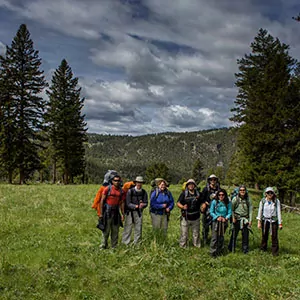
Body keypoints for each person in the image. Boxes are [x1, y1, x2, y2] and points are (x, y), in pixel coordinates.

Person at [99, 174, 125, 249]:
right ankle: (103, 245)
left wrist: (123, 214)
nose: (117, 182)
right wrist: (101, 213)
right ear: (112, 181)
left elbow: (122, 203)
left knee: (115, 230)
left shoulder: (121, 191)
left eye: (118, 181)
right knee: (106, 230)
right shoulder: (107, 189)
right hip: (107, 212)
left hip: (116, 212)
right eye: (115, 180)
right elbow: (102, 201)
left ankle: (114, 246)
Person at [122, 176, 148, 245]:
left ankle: (137, 243)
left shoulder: (144, 192)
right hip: (129, 212)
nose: (139, 184)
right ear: (135, 183)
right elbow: (128, 203)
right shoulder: (130, 191)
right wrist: (135, 206)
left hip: (139, 212)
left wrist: (143, 205)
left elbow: (146, 202)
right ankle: (125, 242)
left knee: (138, 227)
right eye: (138, 182)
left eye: (140, 183)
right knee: (128, 227)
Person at [257, 187, 283, 256]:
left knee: (274, 236)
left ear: (273, 193)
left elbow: (278, 212)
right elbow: (260, 211)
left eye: (271, 193)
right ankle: (263, 249)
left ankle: (275, 252)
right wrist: (259, 222)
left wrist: (280, 223)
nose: (270, 194)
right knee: (264, 235)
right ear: (265, 194)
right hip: (265, 220)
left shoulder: (276, 201)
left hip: (273, 221)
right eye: (268, 193)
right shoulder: (262, 201)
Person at [177, 179, 201, 248]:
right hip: (186, 217)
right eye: (189, 184)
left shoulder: (198, 194)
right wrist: (182, 207)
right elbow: (178, 203)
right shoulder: (183, 194)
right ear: (187, 186)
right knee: (184, 233)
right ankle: (183, 246)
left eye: (192, 184)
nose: (191, 185)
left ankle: (196, 246)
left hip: (196, 217)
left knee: (196, 233)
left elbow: (202, 202)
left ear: (195, 185)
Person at [228, 185, 253, 254]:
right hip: (236, 218)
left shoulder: (248, 199)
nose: (242, 191)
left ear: (245, 191)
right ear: (239, 191)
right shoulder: (235, 199)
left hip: (245, 219)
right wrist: (233, 218)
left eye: (243, 190)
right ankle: (231, 248)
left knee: (245, 235)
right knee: (234, 234)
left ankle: (245, 250)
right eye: (241, 190)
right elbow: (232, 209)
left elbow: (250, 210)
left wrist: (250, 220)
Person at [210, 189, 232, 257]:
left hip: (224, 221)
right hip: (216, 221)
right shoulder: (214, 202)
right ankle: (213, 252)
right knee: (214, 237)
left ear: (225, 195)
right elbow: (211, 211)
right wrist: (217, 217)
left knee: (221, 236)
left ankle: (220, 251)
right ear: (217, 195)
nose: (221, 196)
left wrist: (226, 218)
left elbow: (230, 212)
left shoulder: (228, 202)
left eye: (222, 195)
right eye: (219, 195)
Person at [201, 174, 221, 245]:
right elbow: (201, 198)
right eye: (211, 179)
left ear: (216, 181)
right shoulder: (206, 189)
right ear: (209, 180)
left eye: (214, 179)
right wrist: (204, 203)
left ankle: (213, 241)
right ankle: (205, 240)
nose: (213, 181)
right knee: (205, 226)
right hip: (207, 210)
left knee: (214, 226)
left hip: (216, 211)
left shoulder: (219, 189)